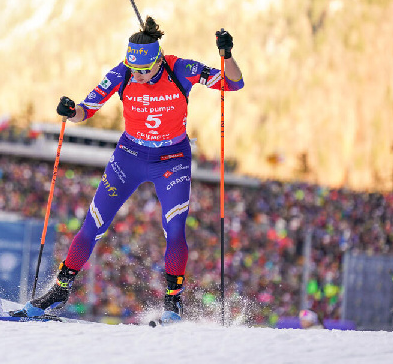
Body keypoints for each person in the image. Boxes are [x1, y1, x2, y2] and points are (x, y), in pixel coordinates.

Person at [16, 16, 244, 323]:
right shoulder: (121, 74)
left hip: (172, 159)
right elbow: (88, 109)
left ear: (159, 60)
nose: (136, 75)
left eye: (144, 70)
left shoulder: (180, 69)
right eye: (133, 68)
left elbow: (234, 83)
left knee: (175, 230)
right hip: (129, 157)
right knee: (92, 224)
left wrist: (226, 55)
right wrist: (71, 112)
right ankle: (59, 289)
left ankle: (173, 302)